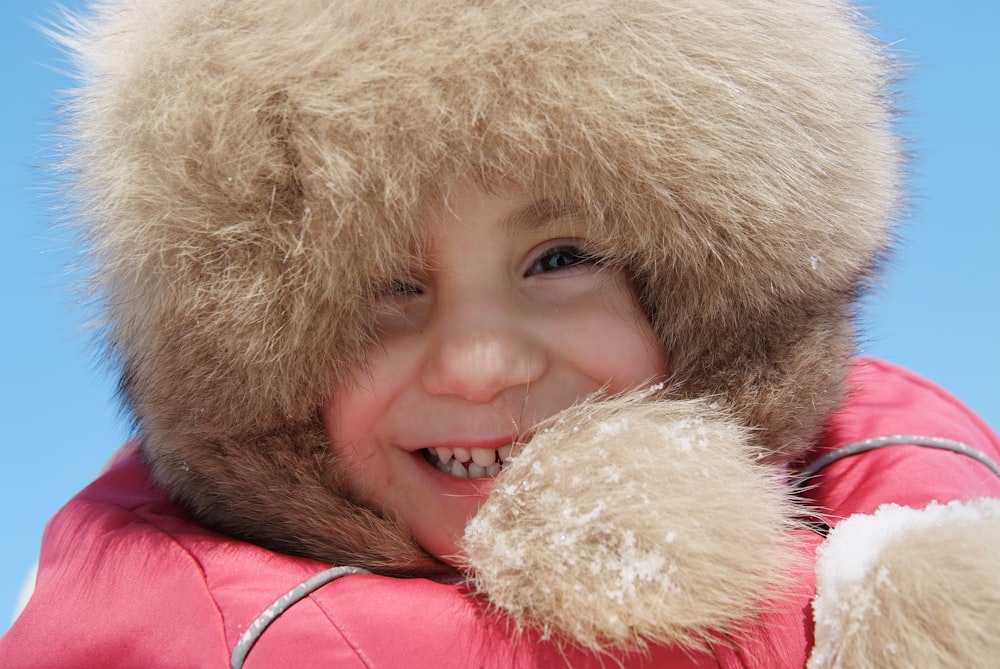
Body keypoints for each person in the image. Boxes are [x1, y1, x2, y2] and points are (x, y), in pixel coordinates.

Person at [3, 0, 999, 667]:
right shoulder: (180, 624)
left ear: (711, 302)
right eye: (387, 286)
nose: (481, 364)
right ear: (257, 363)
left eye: (560, 258)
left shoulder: (894, 484)